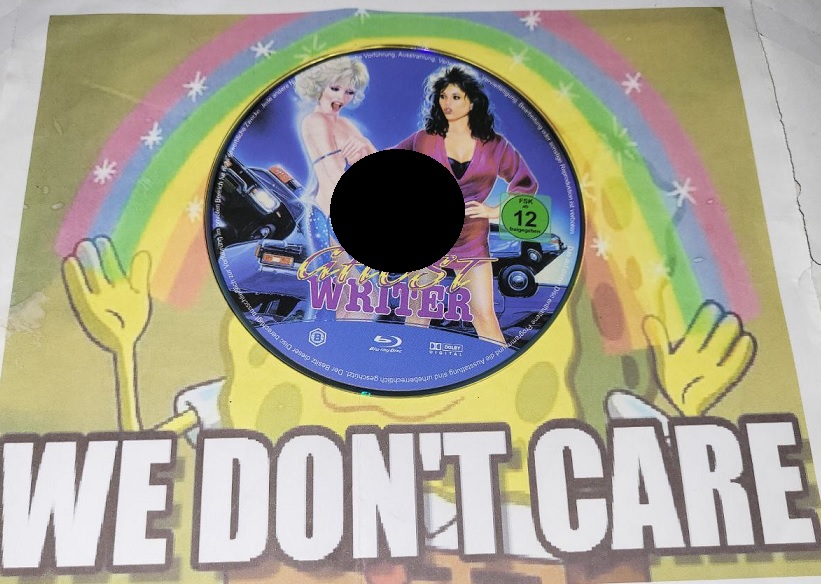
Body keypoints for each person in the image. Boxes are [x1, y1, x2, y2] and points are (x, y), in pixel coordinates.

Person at [394, 65, 538, 345]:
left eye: (456, 97)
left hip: (471, 240)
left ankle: (503, 370)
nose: (447, 103)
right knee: (417, 315)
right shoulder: (424, 139)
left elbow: (525, 185)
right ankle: (406, 368)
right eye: (443, 96)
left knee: (484, 315)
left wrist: (494, 211)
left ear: (472, 101)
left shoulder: (497, 146)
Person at [294, 56, 376, 255]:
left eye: (349, 92)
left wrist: (365, 144)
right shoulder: (315, 121)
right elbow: (334, 174)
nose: (342, 97)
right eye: (335, 88)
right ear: (320, 86)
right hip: (328, 215)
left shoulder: (346, 125)